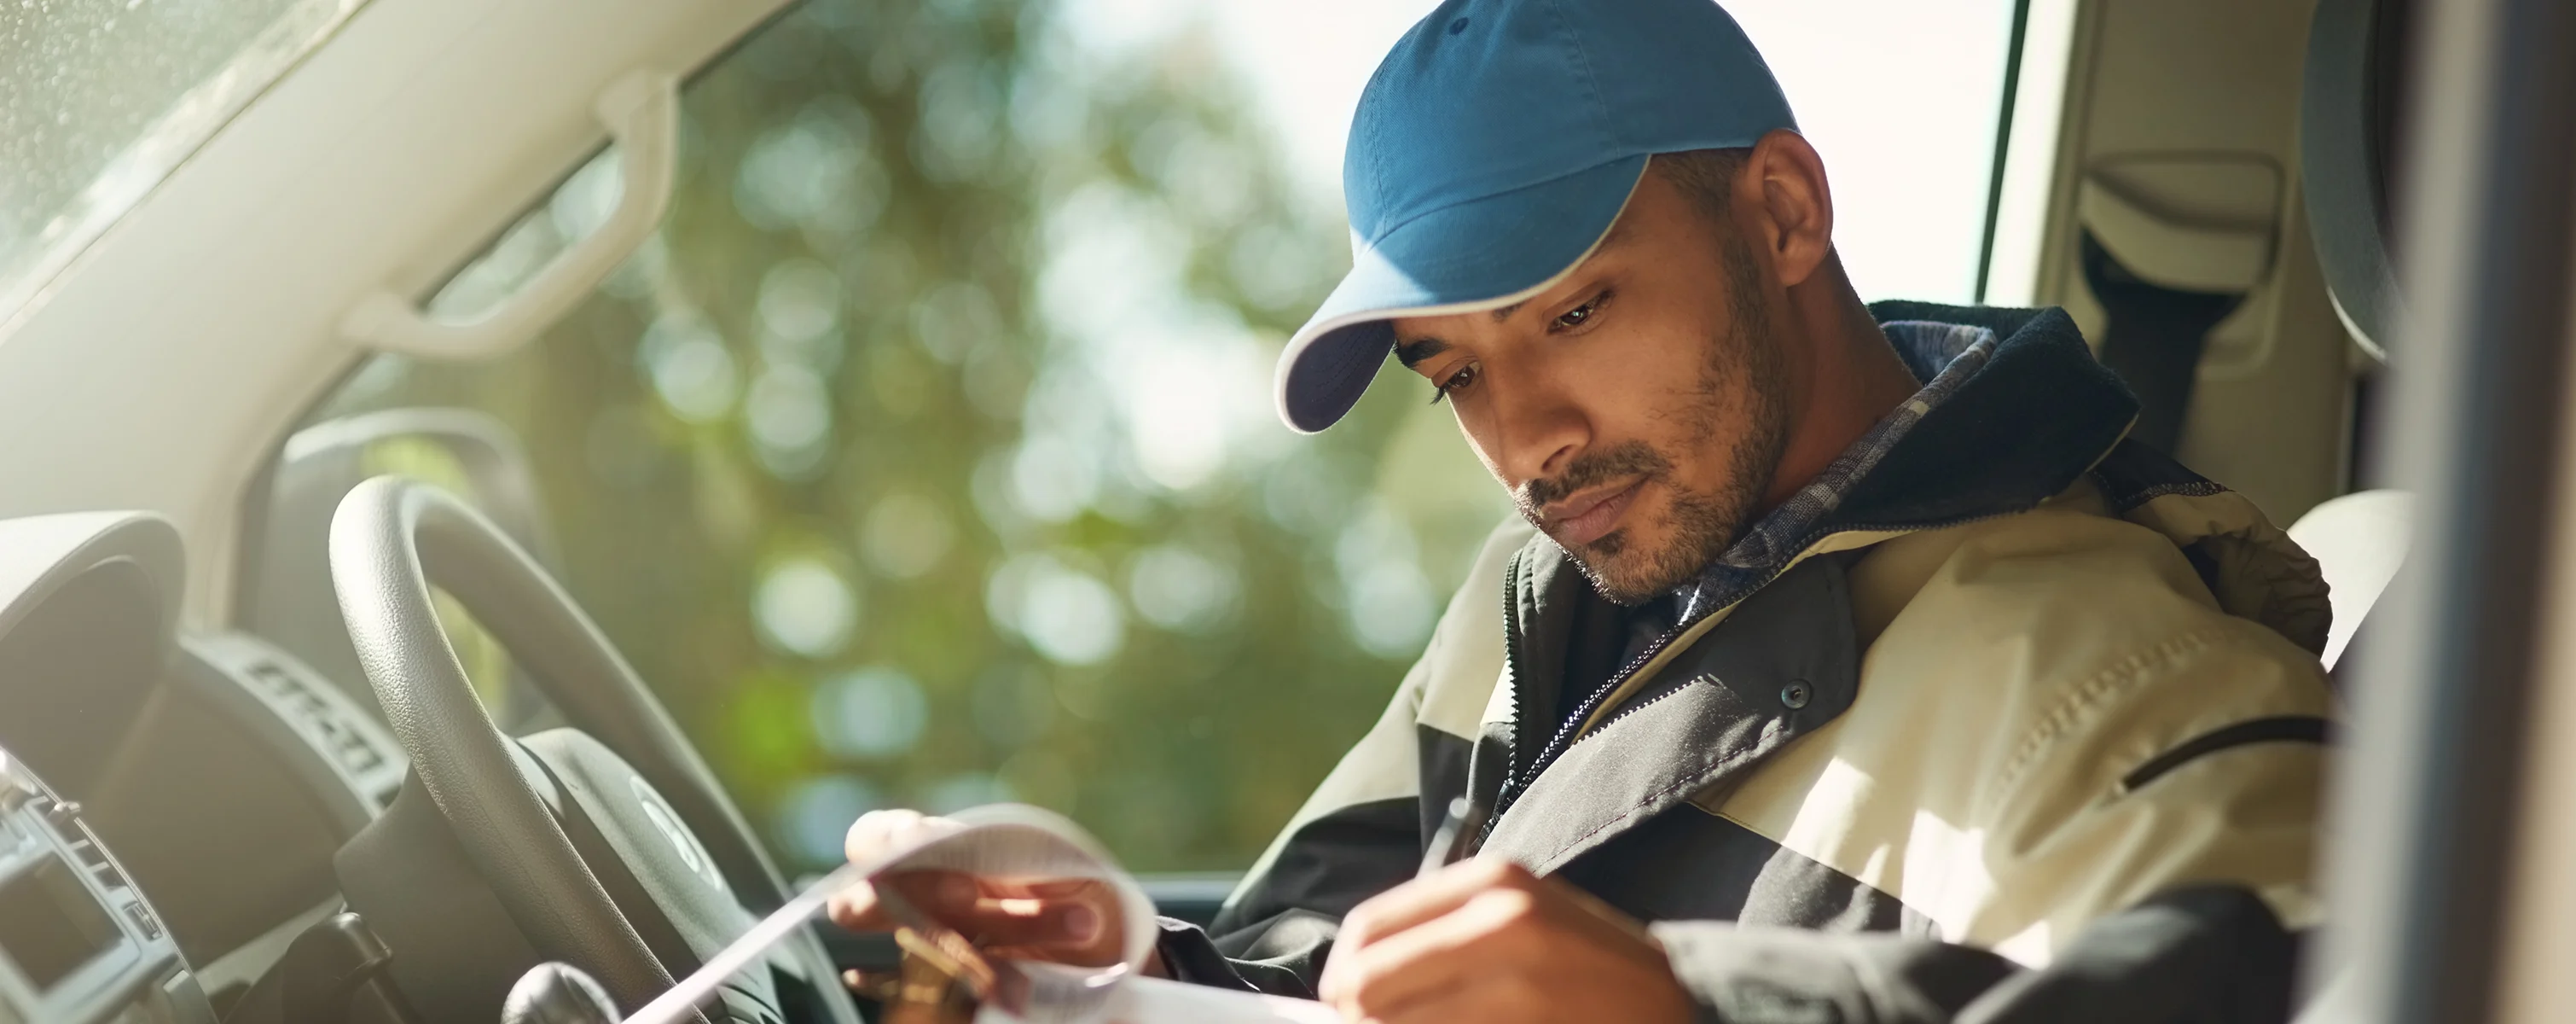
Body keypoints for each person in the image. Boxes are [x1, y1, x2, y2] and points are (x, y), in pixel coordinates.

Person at [834, 1, 2335, 1020]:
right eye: (1455, 374)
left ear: (1784, 212)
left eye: (1573, 314)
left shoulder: (2117, 673)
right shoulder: (1538, 588)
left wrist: (1695, 1010)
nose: (1526, 445)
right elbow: (1332, 975)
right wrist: (1135, 967)